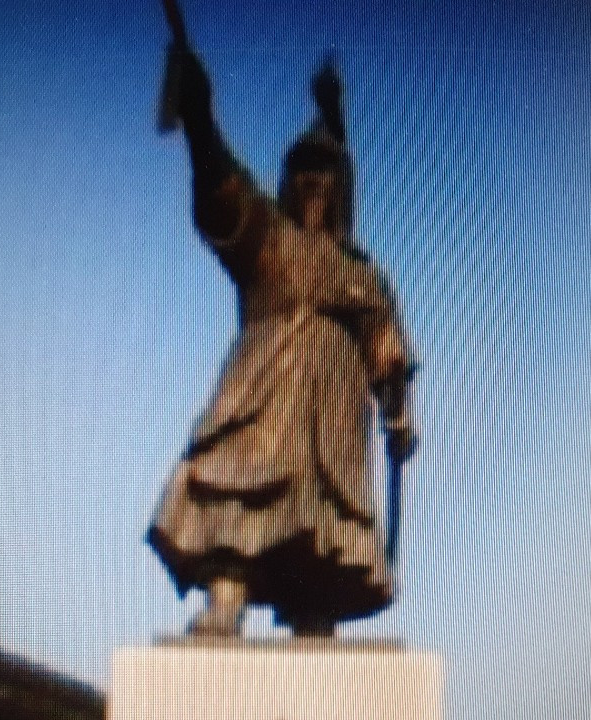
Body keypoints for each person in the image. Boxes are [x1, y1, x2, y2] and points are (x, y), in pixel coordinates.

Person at [146, 49, 417, 637]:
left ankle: (316, 610)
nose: (314, 181)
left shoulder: (361, 272)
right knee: (243, 481)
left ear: (343, 189)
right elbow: (225, 197)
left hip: (335, 412)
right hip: (268, 385)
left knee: (324, 512)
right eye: (304, 170)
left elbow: (385, 343)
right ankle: (226, 599)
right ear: (287, 180)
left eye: (327, 172)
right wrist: (201, 124)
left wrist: (398, 411)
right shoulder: (270, 234)